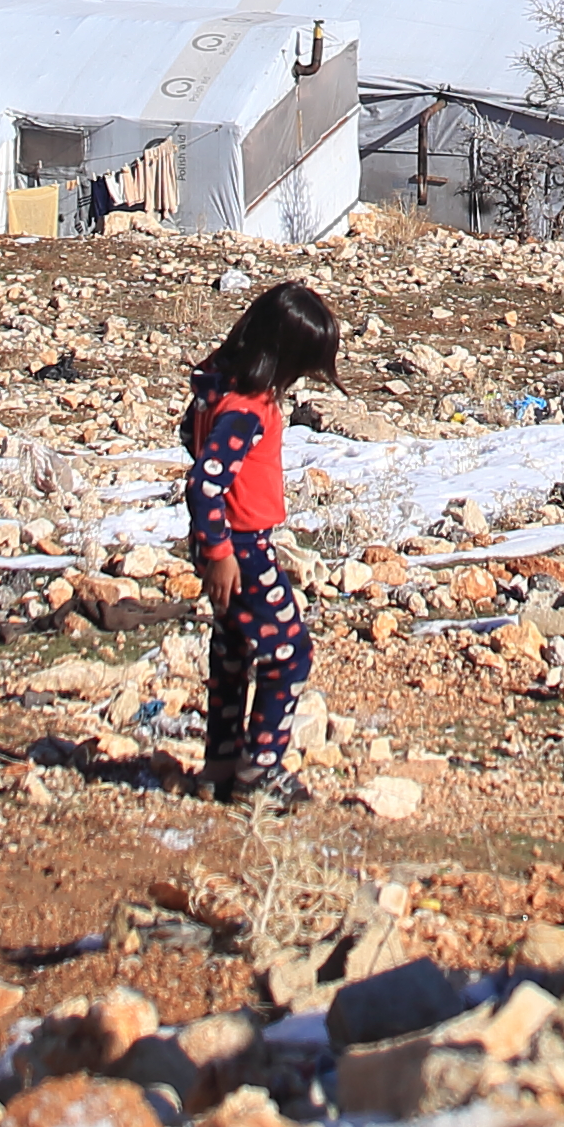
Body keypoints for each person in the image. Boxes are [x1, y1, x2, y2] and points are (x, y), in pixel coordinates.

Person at [185, 279, 343, 807]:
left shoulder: (219, 390)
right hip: (244, 547)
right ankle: (261, 771)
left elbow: (191, 437)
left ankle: (222, 763)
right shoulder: (246, 409)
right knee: (288, 653)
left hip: (229, 543)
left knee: (232, 651)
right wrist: (222, 552)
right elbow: (205, 482)